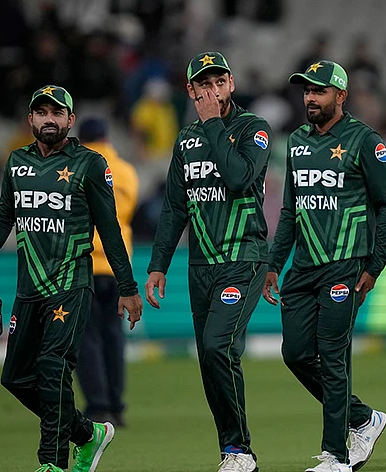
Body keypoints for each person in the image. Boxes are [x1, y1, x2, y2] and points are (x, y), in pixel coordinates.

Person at [0, 85, 143, 472]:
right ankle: (87, 435)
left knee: (53, 366)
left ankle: (52, 464)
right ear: (30, 120)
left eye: (57, 113)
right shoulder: (17, 162)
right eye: (41, 112)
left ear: (70, 121)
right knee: (16, 378)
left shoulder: (90, 164)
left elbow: (109, 228)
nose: (49, 119)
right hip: (29, 288)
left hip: (71, 283)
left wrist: (128, 287)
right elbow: (1, 218)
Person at [263, 61, 386, 472]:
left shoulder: (364, 141)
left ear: (341, 96)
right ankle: (362, 418)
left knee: (333, 354)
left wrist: (374, 266)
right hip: (303, 268)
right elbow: (291, 208)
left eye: (319, 91)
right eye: (306, 91)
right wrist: (274, 263)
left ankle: (335, 457)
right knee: (296, 354)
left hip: (345, 264)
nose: (310, 98)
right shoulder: (298, 141)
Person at [145, 52, 272, 472]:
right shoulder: (184, 141)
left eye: (218, 81)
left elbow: (239, 179)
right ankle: (232, 452)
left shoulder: (255, 129)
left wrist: (213, 122)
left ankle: (240, 451)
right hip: (200, 266)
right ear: (191, 91)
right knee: (211, 358)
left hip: (243, 257)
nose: (211, 89)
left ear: (231, 85)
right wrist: (158, 264)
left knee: (219, 346)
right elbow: (174, 208)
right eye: (203, 83)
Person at [76, 117, 139, 428]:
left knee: (87, 338)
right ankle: (116, 406)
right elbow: (127, 215)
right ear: (107, 135)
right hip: (117, 266)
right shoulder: (126, 172)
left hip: (84, 264)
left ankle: (98, 407)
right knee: (113, 337)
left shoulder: (77, 168)